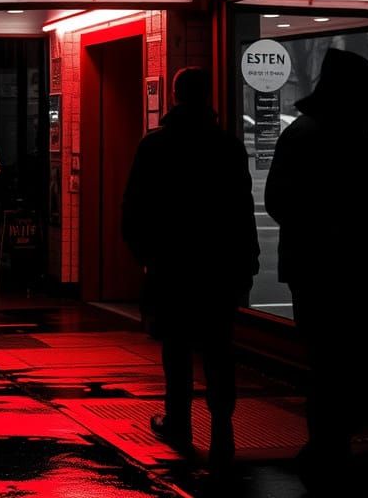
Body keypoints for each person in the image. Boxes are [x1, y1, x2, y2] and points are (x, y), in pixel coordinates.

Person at [122, 68, 258, 474]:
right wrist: (246, 262)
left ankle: (179, 422)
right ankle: (223, 428)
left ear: (176, 96)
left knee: (176, 347)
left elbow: (134, 209)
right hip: (217, 265)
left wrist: (146, 255)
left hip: (171, 264)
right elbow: (241, 212)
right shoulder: (228, 147)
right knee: (219, 348)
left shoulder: (155, 146)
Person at [264, 47, 368, 489]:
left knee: (324, 361)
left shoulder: (301, 135)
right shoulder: (347, 139)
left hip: (309, 266)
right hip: (344, 269)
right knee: (343, 359)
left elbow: (278, 201)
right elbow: (365, 207)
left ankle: (325, 443)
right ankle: (333, 443)